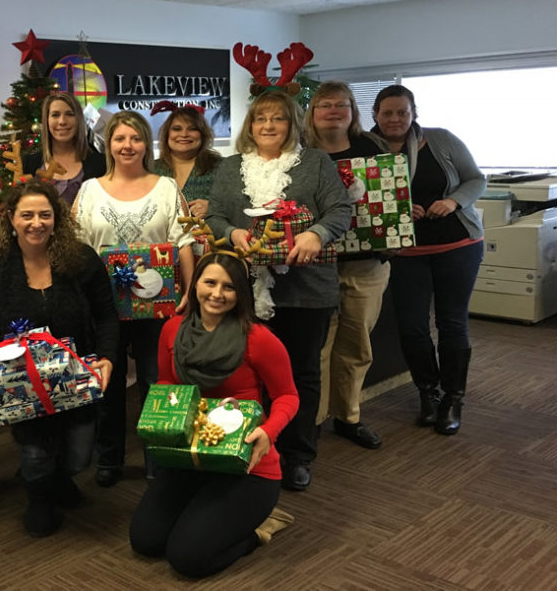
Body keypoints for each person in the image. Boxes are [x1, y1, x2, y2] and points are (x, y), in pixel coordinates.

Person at [206, 91, 351, 492]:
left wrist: (316, 235)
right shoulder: (230, 167)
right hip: (244, 289)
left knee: (301, 375)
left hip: (305, 289)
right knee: (246, 372)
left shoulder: (316, 164)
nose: (268, 126)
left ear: (292, 124)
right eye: (260, 119)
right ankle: (248, 445)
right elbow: (215, 214)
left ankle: (297, 455)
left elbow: (341, 211)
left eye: (278, 119)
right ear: (250, 126)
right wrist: (231, 231)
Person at [129, 253, 299, 578]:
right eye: (210, 283)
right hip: (191, 456)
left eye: (229, 287)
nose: (217, 294)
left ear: (241, 294)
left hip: (247, 464)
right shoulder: (173, 330)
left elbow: (288, 396)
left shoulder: (258, 339)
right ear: (195, 286)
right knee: (145, 541)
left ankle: (258, 530)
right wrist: (164, 412)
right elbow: (166, 382)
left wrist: (269, 431)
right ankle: (207, 512)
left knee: (187, 559)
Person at [0, 179, 116, 536]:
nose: (36, 223)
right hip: (22, 381)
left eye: (44, 214)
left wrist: (108, 359)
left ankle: (57, 478)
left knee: (79, 456)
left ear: (57, 219)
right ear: (10, 219)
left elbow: (106, 317)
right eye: (26, 215)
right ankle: (38, 495)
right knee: (36, 454)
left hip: (77, 375)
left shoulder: (82, 260)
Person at [73, 110, 195, 488]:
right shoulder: (89, 189)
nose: (127, 146)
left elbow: (184, 241)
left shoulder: (166, 187)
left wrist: (190, 290)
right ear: (108, 145)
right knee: (107, 381)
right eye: (119, 139)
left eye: (135, 138)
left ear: (147, 143)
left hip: (158, 303)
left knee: (156, 382)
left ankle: (157, 455)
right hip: (103, 304)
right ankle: (109, 458)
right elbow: (77, 247)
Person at [371, 84, 485, 435]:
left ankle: (453, 398)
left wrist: (453, 202)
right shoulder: (365, 149)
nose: (394, 119)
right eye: (387, 112)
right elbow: (361, 197)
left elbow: (476, 179)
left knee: (452, 323)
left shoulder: (441, 140)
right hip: (404, 252)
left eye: (402, 112)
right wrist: (398, 208)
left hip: (458, 245)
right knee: (412, 326)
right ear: (375, 114)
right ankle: (428, 392)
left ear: (413, 113)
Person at [304, 82, 390, 449]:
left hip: (365, 265)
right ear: (312, 112)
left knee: (356, 344)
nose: (334, 111)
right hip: (312, 266)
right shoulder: (300, 154)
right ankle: (314, 418)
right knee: (317, 346)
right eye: (325, 105)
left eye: (343, 104)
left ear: (354, 111)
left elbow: (390, 200)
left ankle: (348, 416)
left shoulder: (371, 148)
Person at [21, 91, 105, 204]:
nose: (62, 121)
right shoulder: (28, 164)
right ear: (47, 120)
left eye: (70, 114)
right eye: (55, 115)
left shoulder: (101, 164)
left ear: (79, 120)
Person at [152, 104, 222, 220]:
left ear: (202, 134)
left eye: (192, 129)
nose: (184, 134)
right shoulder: (150, 169)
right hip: (160, 238)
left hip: (208, 236)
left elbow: (239, 208)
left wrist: (213, 208)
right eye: (177, 129)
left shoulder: (222, 167)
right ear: (167, 134)